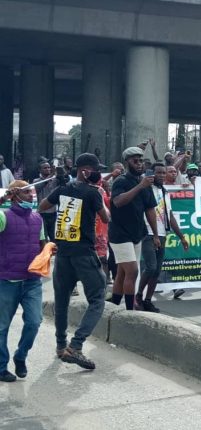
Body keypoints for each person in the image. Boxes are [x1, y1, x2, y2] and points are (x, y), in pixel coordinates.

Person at [39, 153, 110, 370]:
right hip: (85, 254)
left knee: (61, 302)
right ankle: (76, 345)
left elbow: (42, 206)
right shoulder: (93, 192)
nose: (98, 174)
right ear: (85, 171)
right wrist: (100, 194)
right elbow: (106, 217)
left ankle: (61, 346)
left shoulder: (63, 190)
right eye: (95, 170)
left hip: (63, 254)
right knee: (97, 299)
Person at [0, 181, 45, 382]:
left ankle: (21, 355)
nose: (30, 196)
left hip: (32, 281)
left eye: (31, 192)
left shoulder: (37, 218)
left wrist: (48, 250)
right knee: (2, 327)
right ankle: (1, 367)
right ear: (15, 195)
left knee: (34, 322)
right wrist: (3, 198)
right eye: (26, 192)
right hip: (7, 280)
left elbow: (42, 243)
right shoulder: (3, 216)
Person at [108, 147, 159, 311]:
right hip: (120, 234)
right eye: (135, 161)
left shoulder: (145, 183)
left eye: (141, 160)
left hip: (137, 233)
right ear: (127, 162)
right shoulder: (121, 181)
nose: (139, 164)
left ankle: (114, 304)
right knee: (133, 271)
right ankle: (130, 311)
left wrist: (155, 234)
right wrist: (140, 187)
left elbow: (150, 210)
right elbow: (118, 202)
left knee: (122, 273)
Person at [135, 163, 189, 312]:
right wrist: (155, 235)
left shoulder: (165, 192)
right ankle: (138, 296)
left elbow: (170, 216)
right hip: (148, 233)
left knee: (157, 270)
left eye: (163, 173)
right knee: (151, 267)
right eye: (158, 172)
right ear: (151, 174)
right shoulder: (146, 189)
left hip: (162, 234)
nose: (161, 175)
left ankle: (148, 300)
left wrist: (181, 237)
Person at [32, 161, 59, 242]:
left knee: (53, 237)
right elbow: (39, 186)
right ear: (40, 170)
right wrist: (52, 175)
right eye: (45, 168)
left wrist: (59, 173)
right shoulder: (36, 181)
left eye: (49, 167)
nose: (48, 169)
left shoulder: (55, 180)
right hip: (42, 213)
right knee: (43, 237)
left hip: (53, 212)